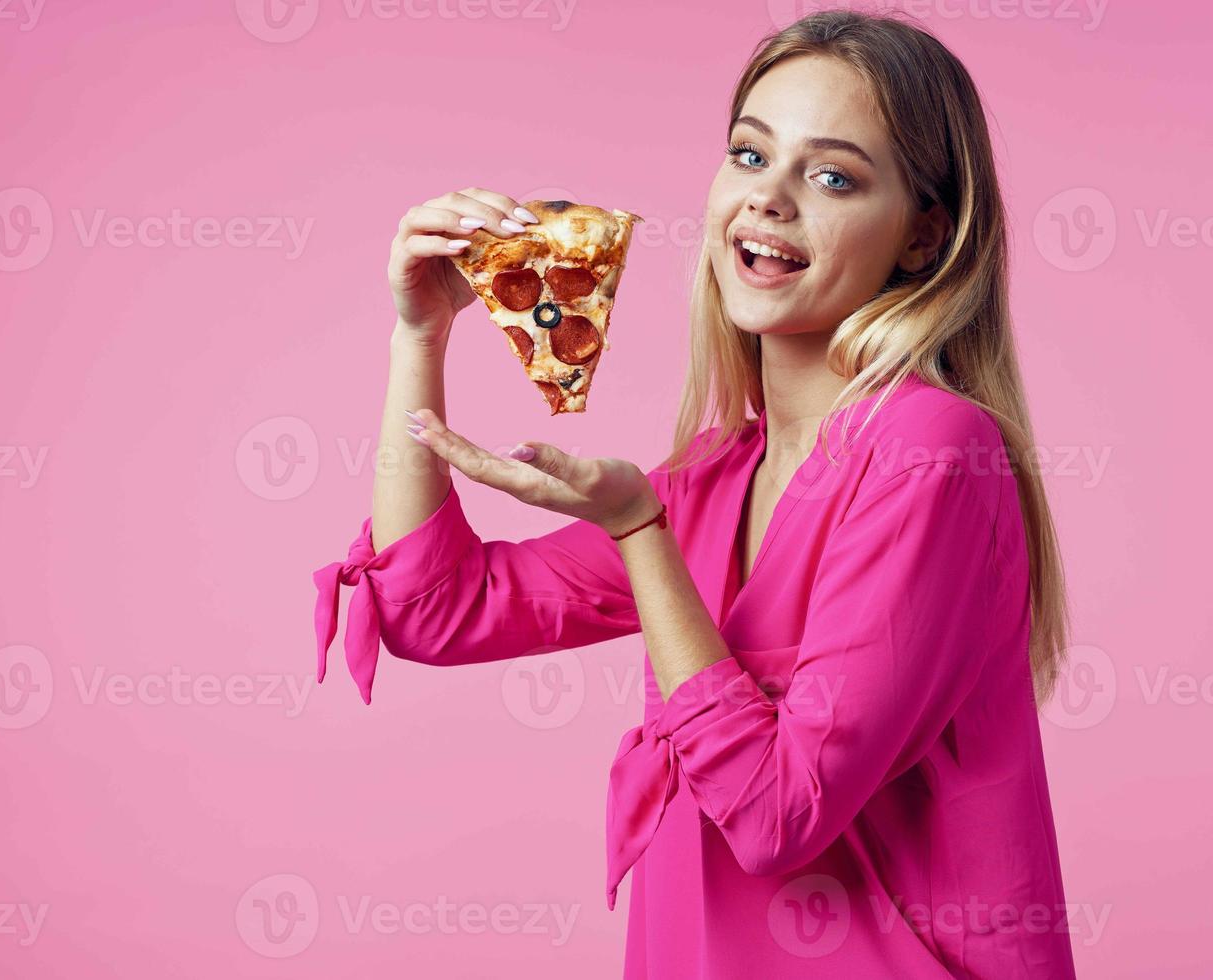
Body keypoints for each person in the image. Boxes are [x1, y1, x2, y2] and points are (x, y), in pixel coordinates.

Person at [314, 9, 1078, 977]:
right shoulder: (712, 479)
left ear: (924, 236)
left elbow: (777, 812)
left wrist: (637, 530)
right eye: (750, 156)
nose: (770, 200)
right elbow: (435, 609)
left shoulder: (932, 453)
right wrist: (420, 336)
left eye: (833, 175)